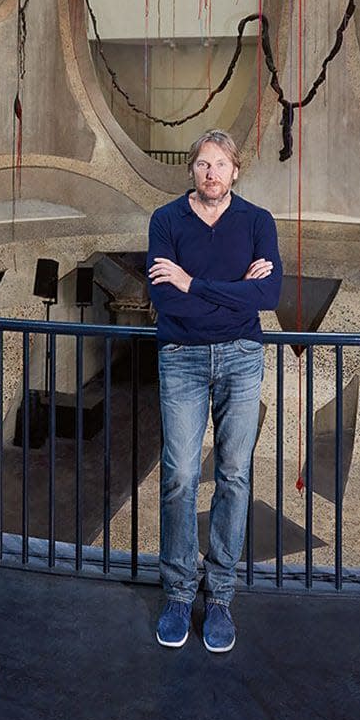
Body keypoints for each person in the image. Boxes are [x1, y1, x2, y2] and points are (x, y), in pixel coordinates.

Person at [146, 128, 282, 653]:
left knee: (234, 475)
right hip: (180, 357)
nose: (211, 173)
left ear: (235, 172)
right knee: (180, 475)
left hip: (242, 358)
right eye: (203, 164)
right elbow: (167, 302)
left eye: (221, 165)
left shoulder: (257, 221)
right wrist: (233, 294)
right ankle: (180, 592)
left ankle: (219, 595)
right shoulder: (165, 220)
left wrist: (194, 283)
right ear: (192, 170)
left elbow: (267, 296)